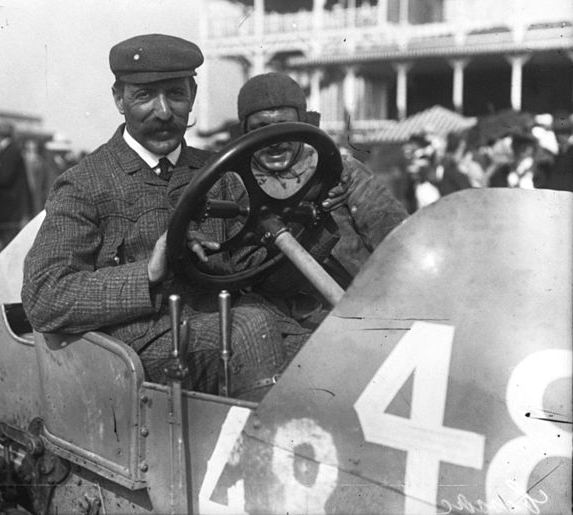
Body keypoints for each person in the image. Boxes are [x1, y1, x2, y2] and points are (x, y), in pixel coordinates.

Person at [22, 34, 305, 401]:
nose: (164, 112)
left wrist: (307, 221)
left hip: (232, 321)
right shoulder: (84, 184)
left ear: (192, 94)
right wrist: (149, 272)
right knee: (252, 327)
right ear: (118, 99)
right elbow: (44, 297)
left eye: (175, 94)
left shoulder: (217, 172)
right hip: (140, 352)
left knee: (325, 347)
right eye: (144, 95)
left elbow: (253, 268)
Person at [235, 72, 408, 333]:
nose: (274, 141)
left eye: (283, 125)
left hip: (368, 305)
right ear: (245, 134)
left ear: (302, 126)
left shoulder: (341, 171)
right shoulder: (233, 187)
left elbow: (397, 240)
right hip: (290, 322)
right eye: (259, 129)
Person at [0, 121, 31, 249]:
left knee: (9, 242)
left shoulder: (10, 151)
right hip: (9, 205)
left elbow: (4, 177)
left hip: (10, 206)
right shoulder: (9, 150)